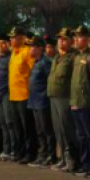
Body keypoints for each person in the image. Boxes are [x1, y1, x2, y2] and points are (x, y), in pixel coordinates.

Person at [70, 25, 90, 177]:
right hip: (75, 102)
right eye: (75, 37)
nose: (76, 39)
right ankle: (85, 164)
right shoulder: (77, 57)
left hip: (86, 102)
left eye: (80, 37)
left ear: (88, 39)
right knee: (81, 136)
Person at [48, 28, 80, 172]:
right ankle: (63, 159)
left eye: (64, 39)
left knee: (67, 130)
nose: (61, 41)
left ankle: (72, 160)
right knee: (58, 130)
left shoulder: (73, 57)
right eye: (59, 39)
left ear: (71, 41)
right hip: (54, 96)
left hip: (65, 97)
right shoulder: (57, 57)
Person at [7, 27, 37, 164]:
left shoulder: (26, 52)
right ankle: (20, 152)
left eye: (14, 37)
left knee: (27, 127)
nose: (11, 40)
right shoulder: (14, 53)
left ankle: (30, 153)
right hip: (13, 95)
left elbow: (33, 71)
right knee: (17, 127)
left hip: (24, 95)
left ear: (21, 38)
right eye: (11, 37)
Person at [27, 36, 56, 168]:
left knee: (47, 130)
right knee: (39, 130)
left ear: (40, 48)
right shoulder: (36, 62)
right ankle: (42, 154)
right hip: (34, 101)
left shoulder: (45, 62)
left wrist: (45, 97)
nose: (30, 49)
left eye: (33, 46)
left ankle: (51, 155)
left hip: (43, 101)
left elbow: (49, 81)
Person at [0, 35, 15, 161]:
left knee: (9, 123)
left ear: (8, 44)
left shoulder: (10, 57)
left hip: (7, 93)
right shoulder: (0, 58)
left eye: (3, 43)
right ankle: (6, 149)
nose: (0, 46)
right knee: (2, 123)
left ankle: (13, 150)